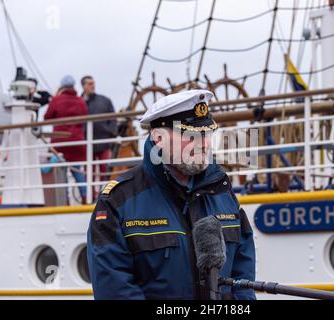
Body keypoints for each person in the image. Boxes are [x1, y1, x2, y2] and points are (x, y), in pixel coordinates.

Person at [87, 89, 256, 300]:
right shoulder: (118, 201)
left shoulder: (222, 190)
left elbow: (243, 272)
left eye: (207, 133)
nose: (204, 143)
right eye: (190, 135)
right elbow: (113, 288)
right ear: (159, 139)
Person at [44, 75, 88, 204]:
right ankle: (85, 198)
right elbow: (85, 115)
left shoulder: (57, 100)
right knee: (78, 172)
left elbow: (47, 116)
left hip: (60, 142)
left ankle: (66, 200)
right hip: (77, 142)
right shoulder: (80, 101)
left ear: (62, 86)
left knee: (62, 173)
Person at [81, 75, 117, 183]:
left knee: (105, 172)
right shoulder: (79, 102)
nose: (93, 86)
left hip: (104, 142)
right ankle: (89, 198)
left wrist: (111, 134)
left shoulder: (105, 101)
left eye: (93, 83)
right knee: (89, 174)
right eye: (90, 84)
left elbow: (113, 119)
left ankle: (105, 197)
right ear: (83, 86)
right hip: (86, 143)